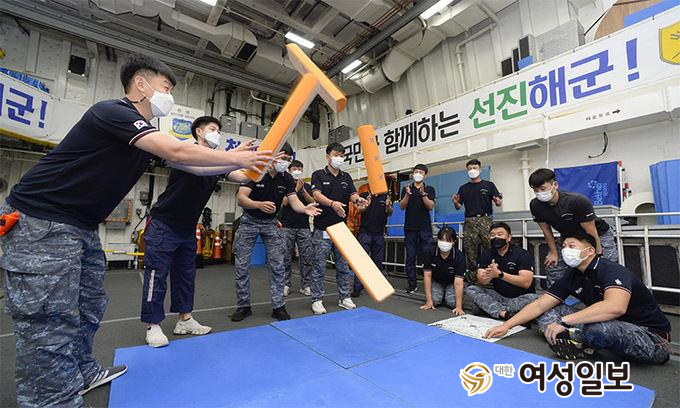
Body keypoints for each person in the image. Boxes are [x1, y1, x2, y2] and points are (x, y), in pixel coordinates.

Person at [0, 54, 271, 407]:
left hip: (80, 226)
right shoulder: (113, 111)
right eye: (166, 87)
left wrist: (240, 161)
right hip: (43, 221)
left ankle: (81, 372)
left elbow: (194, 165)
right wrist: (235, 157)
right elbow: (177, 151)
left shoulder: (144, 135)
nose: (169, 96)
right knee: (49, 319)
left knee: (88, 305)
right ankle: (49, 399)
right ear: (140, 85)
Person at [141, 116, 253, 348]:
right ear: (199, 132)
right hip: (163, 223)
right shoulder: (185, 152)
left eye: (219, 131)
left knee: (186, 275)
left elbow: (243, 177)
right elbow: (201, 168)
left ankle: (185, 320)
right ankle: (153, 324)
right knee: (156, 275)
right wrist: (235, 157)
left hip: (187, 227)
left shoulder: (217, 160)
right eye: (213, 129)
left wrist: (262, 164)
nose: (217, 133)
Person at [485, 233, 671, 364]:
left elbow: (615, 307)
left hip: (651, 338)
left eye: (572, 246)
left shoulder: (611, 270)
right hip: (612, 326)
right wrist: (507, 326)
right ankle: (575, 338)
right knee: (544, 305)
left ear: (590, 251)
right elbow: (540, 304)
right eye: (564, 247)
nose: (566, 250)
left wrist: (564, 322)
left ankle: (576, 339)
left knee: (595, 328)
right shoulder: (573, 275)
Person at [231, 143, 321, 322]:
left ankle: (278, 306)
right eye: (282, 158)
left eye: (288, 159)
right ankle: (243, 306)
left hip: (271, 223)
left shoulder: (286, 178)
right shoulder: (256, 171)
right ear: (273, 156)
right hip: (249, 221)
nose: (285, 162)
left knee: (278, 265)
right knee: (242, 265)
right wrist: (258, 205)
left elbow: (294, 201)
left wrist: (305, 209)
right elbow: (241, 198)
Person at [529, 168, 618, 286]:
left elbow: (591, 231)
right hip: (568, 236)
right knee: (553, 265)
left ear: (555, 185)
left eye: (543, 189)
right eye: (536, 190)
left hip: (597, 234)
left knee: (605, 267)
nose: (539, 193)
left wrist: (597, 254)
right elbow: (546, 231)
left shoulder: (576, 201)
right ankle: (556, 295)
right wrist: (553, 253)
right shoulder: (535, 205)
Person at [309, 142, 369, 315]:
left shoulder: (346, 177)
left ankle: (344, 297)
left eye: (342, 156)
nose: (339, 158)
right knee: (319, 266)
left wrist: (358, 200)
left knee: (343, 266)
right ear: (328, 156)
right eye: (336, 155)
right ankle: (317, 299)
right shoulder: (318, 175)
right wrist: (332, 203)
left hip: (342, 229)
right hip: (323, 228)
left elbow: (352, 194)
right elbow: (316, 194)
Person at [465, 222, 538, 321]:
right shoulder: (486, 254)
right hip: (499, 297)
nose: (496, 237)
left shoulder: (522, 254)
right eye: (492, 235)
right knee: (472, 289)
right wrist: (490, 275)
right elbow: (481, 281)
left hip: (520, 298)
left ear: (509, 237)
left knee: (536, 299)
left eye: (500, 234)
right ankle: (505, 314)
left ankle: (494, 309)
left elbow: (526, 283)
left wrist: (500, 274)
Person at [452, 159, 502, 277]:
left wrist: (497, 201)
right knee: (470, 250)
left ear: (480, 169)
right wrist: (455, 202)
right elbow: (458, 207)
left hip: (485, 220)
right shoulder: (463, 188)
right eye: (470, 169)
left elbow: (498, 203)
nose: (472, 170)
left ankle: (494, 276)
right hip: (469, 221)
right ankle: (473, 278)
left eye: (474, 168)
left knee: (491, 247)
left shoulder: (489, 185)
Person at [280, 160, 315, 297]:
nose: (297, 171)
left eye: (300, 168)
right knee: (285, 257)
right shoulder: (285, 184)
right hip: (287, 226)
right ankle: (285, 284)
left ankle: (306, 285)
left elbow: (313, 202)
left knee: (306, 257)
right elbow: (284, 202)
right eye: (294, 168)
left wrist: (303, 190)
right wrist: (296, 189)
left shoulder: (306, 185)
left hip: (304, 226)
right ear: (289, 170)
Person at [400, 163, 436, 293]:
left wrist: (423, 194)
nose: (418, 174)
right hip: (410, 228)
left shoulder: (429, 189)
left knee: (427, 256)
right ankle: (412, 284)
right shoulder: (406, 188)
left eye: (421, 172)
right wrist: (407, 194)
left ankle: (430, 283)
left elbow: (430, 206)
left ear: (425, 175)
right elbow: (402, 206)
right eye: (416, 171)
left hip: (424, 228)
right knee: (410, 257)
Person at [352, 187, 393, 297]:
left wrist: (388, 206)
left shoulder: (385, 196)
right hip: (365, 232)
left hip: (379, 233)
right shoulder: (364, 195)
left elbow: (390, 212)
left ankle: (376, 287)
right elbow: (358, 211)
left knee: (377, 261)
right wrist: (366, 205)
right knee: (362, 261)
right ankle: (357, 288)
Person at [420, 226, 466, 315]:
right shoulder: (430, 252)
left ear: (454, 242)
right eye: (442, 240)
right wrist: (428, 301)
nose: (444, 243)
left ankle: (449, 295)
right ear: (437, 239)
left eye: (448, 241)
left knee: (452, 302)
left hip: (452, 283)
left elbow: (458, 281)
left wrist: (459, 306)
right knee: (434, 300)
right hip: (437, 281)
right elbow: (427, 275)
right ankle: (441, 295)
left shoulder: (459, 256)